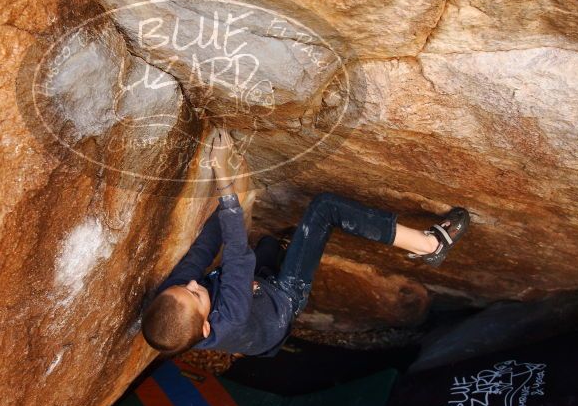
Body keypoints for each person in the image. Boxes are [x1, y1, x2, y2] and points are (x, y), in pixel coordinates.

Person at [141, 130, 469, 357]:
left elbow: (201, 252)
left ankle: (278, 250)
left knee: (265, 244)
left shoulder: (175, 301)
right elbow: (237, 258)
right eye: (196, 293)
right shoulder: (230, 319)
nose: (193, 283)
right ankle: (430, 245)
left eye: (184, 287)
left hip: (256, 291)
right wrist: (223, 179)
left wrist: (231, 203)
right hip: (281, 300)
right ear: (207, 326)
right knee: (324, 209)